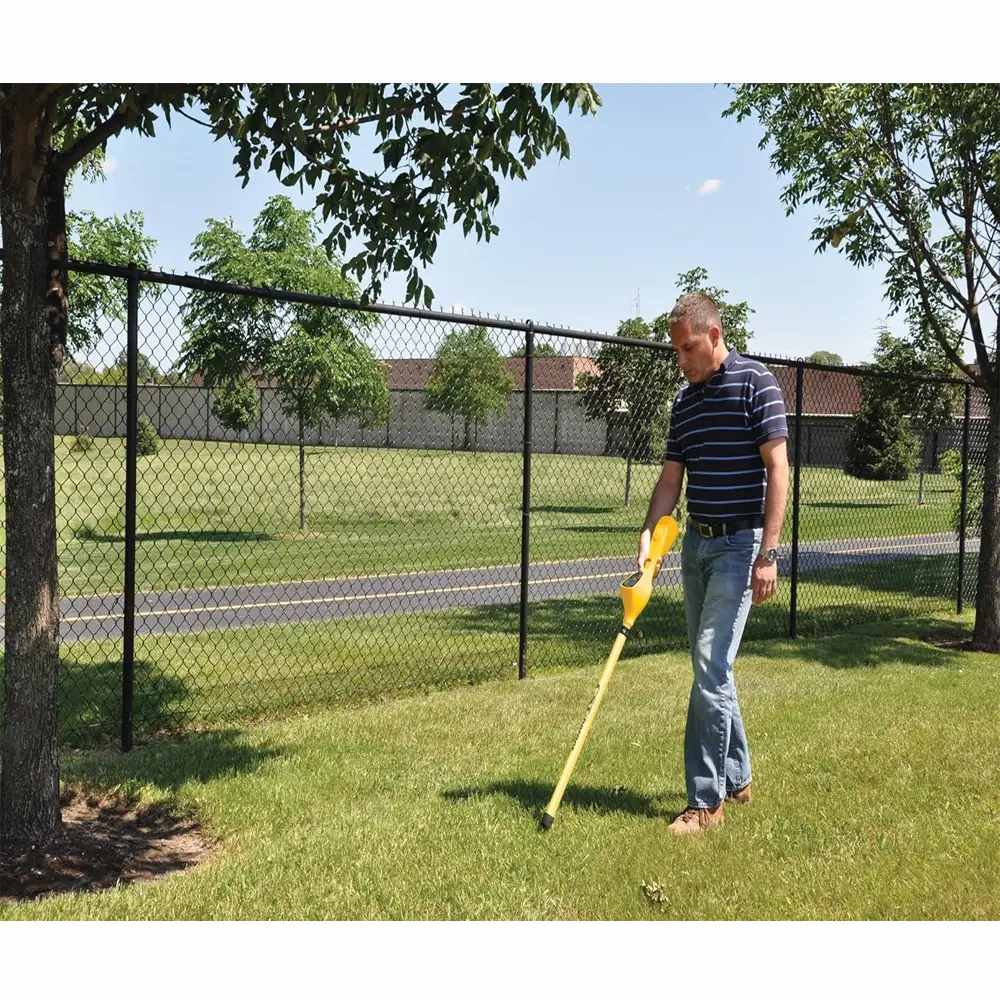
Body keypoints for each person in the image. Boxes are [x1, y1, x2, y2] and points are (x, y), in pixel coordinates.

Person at [636, 292, 789, 836]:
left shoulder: (757, 385)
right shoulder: (686, 403)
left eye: (687, 348)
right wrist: (649, 540)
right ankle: (740, 776)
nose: (681, 359)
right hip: (696, 546)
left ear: (715, 335)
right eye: (676, 350)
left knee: (708, 664)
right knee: (713, 667)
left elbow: (779, 471)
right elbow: (670, 481)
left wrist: (768, 554)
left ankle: (706, 803)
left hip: (739, 546)